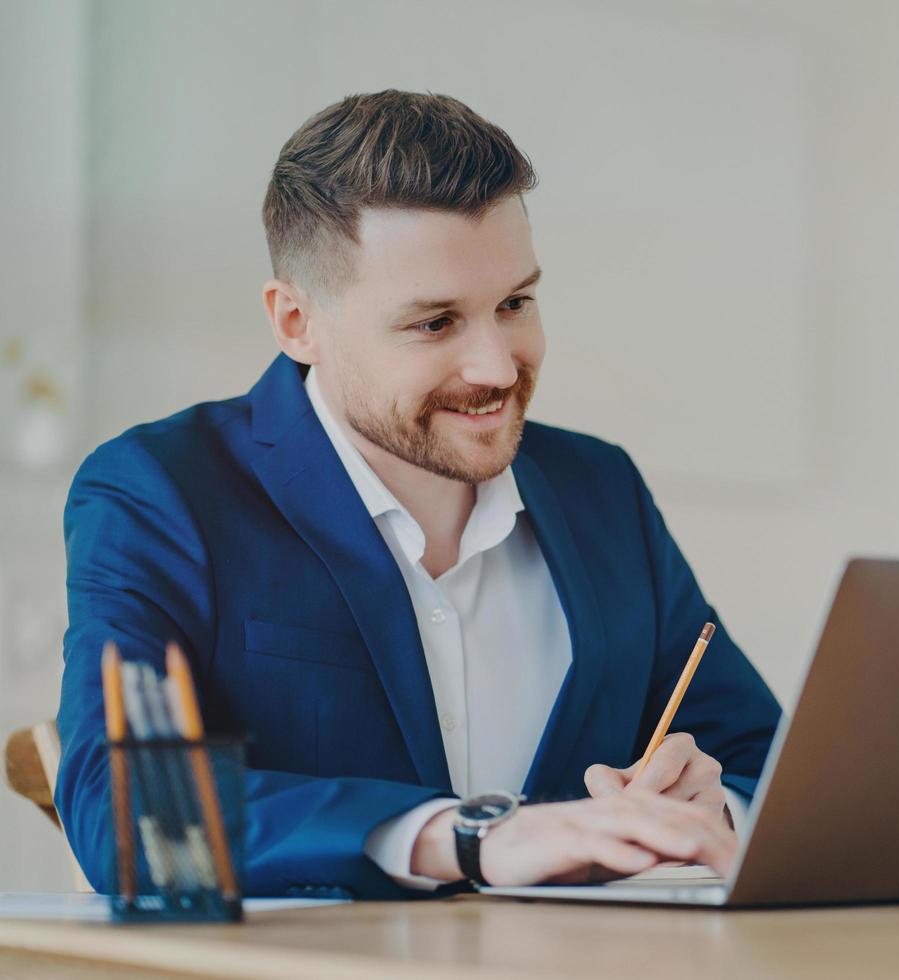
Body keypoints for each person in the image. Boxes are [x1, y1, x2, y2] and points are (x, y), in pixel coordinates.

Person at [54, 90, 781, 898]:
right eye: (435, 323)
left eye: (514, 304)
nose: (498, 368)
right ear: (296, 321)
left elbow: (766, 766)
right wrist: (472, 839)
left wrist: (713, 808)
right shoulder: (160, 492)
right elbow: (123, 810)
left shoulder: (601, 488)